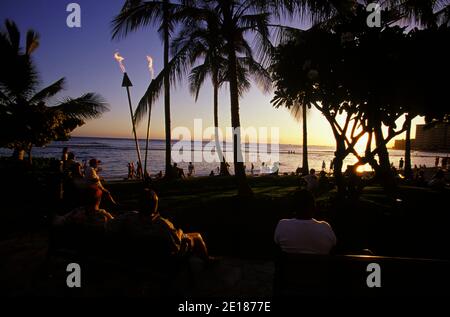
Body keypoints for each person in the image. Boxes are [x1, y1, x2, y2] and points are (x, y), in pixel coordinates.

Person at [130, 189, 210, 260]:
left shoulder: (132, 219)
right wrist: (180, 231)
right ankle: (207, 262)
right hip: (171, 257)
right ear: (155, 205)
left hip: (146, 254)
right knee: (197, 236)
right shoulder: (162, 224)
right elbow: (176, 243)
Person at [274, 189, 336, 255]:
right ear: (314, 206)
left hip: (290, 265)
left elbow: (276, 244)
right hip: (319, 265)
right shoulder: (325, 227)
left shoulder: (283, 225)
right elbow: (334, 246)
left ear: (293, 207)